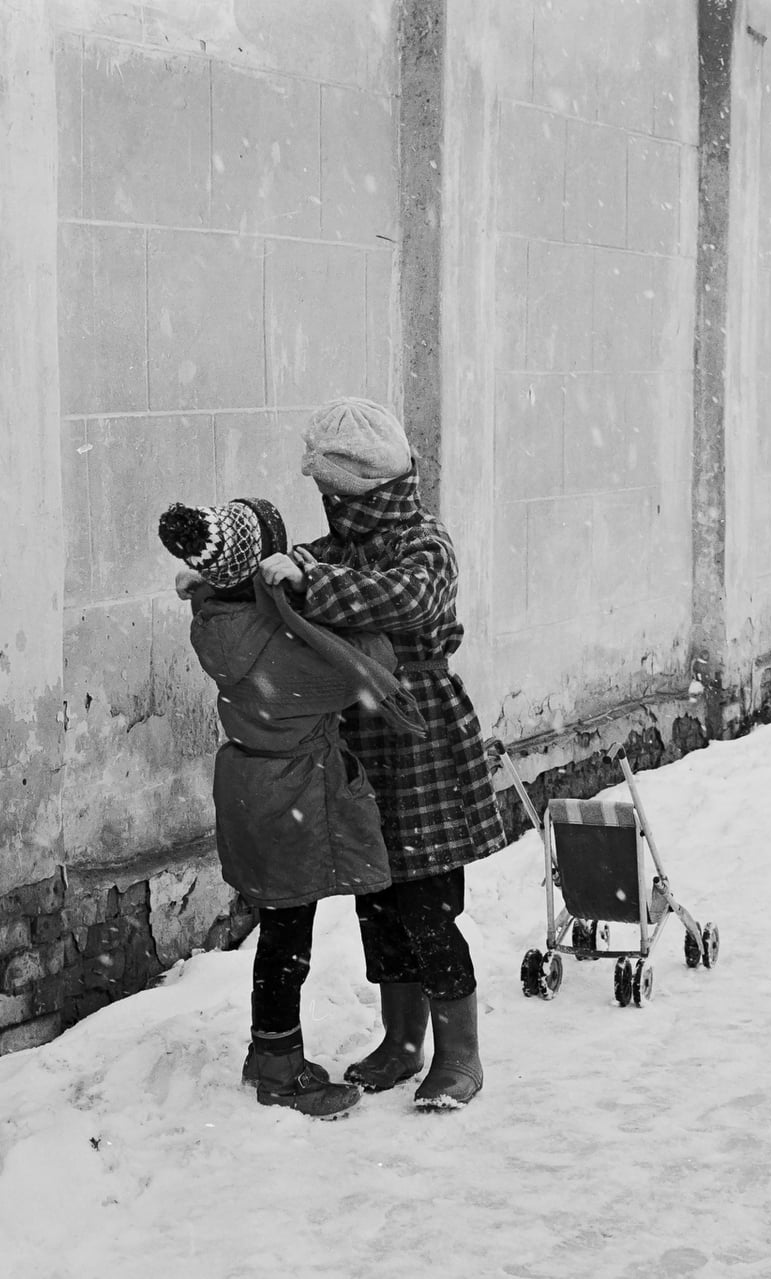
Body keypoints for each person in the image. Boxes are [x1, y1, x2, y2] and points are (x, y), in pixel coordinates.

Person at [259, 397, 508, 1111]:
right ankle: (403, 1038)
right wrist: (228, 584)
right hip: (363, 743)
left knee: (427, 905)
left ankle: (460, 1055)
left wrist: (313, 585)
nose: (326, 507)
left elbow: (405, 600)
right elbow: (293, 576)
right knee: (379, 901)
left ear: (361, 487)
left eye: (332, 492)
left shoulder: (425, 545)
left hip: (422, 741)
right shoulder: (333, 551)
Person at [159, 495, 419, 1120]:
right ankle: (280, 1070)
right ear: (255, 569)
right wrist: (315, 598)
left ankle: (267, 1050)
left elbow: (233, 598)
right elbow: (372, 665)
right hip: (292, 794)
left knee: (280, 930)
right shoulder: (278, 651)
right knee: (287, 939)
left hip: (255, 789)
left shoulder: (222, 622)